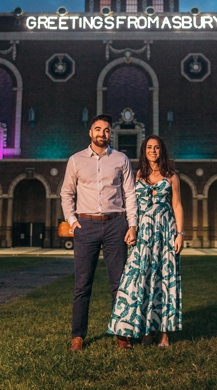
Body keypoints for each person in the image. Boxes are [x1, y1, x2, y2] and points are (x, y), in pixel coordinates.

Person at [60, 114, 138, 352]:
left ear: (110, 133)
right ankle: (78, 336)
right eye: (97, 129)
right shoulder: (76, 160)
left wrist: (132, 225)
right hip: (86, 225)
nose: (101, 134)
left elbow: (130, 193)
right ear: (90, 132)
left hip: (116, 225)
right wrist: (72, 221)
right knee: (82, 285)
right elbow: (66, 193)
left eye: (106, 130)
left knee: (119, 284)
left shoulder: (121, 159)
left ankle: (121, 333)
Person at [107, 135, 183, 347]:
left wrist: (180, 233)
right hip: (143, 234)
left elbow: (177, 205)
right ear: (144, 151)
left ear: (162, 150)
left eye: (156, 147)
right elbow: (131, 203)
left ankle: (164, 334)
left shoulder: (171, 176)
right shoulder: (138, 174)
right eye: (149, 147)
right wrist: (131, 228)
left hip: (165, 232)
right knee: (140, 278)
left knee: (164, 279)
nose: (153, 151)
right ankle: (145, 329)